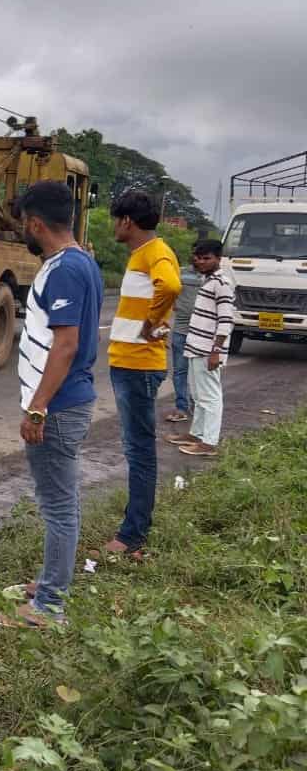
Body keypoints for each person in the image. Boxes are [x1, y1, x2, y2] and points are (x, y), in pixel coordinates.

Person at [12, 182, 103, 627]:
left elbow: (65, 345)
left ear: (35, 223)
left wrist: (38, 407)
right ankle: (50, 581)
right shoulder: (82, 261)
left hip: (59, 406)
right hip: (67, 402)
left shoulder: (63, 269)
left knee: (59, 506)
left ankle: (48, 606)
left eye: (23, 224)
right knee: (60, 502)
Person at [104, 190, 181, 556]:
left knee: (139, 451)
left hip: (138, 365)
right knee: (136, 448)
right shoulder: (143, 255)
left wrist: (151, 325)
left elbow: (172, 286)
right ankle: (134, 529)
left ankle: (132, 535)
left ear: (127, 222)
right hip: (129, 363)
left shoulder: (156, 254)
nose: (114, 227)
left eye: (115, 220)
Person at [166, 239, 234, 456]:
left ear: (218, 258)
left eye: (207, 258)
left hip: (208, 350)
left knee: (210, 397)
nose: (201, 262)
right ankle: (197, 434)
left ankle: (209, 443)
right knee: (198, 394)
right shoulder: (208, 280)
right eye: (198, 257)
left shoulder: (221, 283)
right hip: (195, 346)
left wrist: (216, 351)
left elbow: (226, 320)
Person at [162, 264, 203, 424]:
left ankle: (195, 407)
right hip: (182, 331)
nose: (200, 259)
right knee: (182, 371)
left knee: (195, 372)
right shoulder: (181, 274)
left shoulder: (213, 277)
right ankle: (183, 407)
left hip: (200, 333)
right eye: (198, 255)